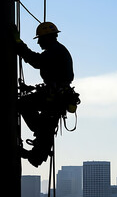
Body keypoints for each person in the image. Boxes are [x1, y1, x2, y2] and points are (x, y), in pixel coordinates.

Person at [13, 22, 74, 167]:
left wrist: (18, 44)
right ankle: (37, 151)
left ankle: (38, 147)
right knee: (45, 126)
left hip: (55, 96)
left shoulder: (55, 51)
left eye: (40, 38)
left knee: (23, 105)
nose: (39, 42)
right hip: (57, 95)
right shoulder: (58, 51)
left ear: (47, 38)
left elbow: (36, 61)